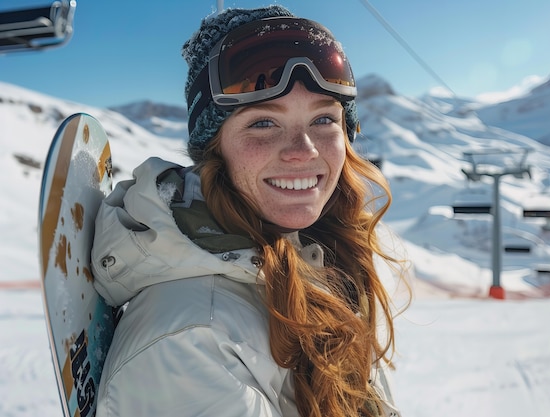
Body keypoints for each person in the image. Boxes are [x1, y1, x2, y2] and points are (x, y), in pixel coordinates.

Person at [91, 5, 407, 417]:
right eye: (263, 123)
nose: (304, 150)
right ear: (213, 148)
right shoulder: (189, 341)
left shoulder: (315, 258)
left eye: (324, 120)